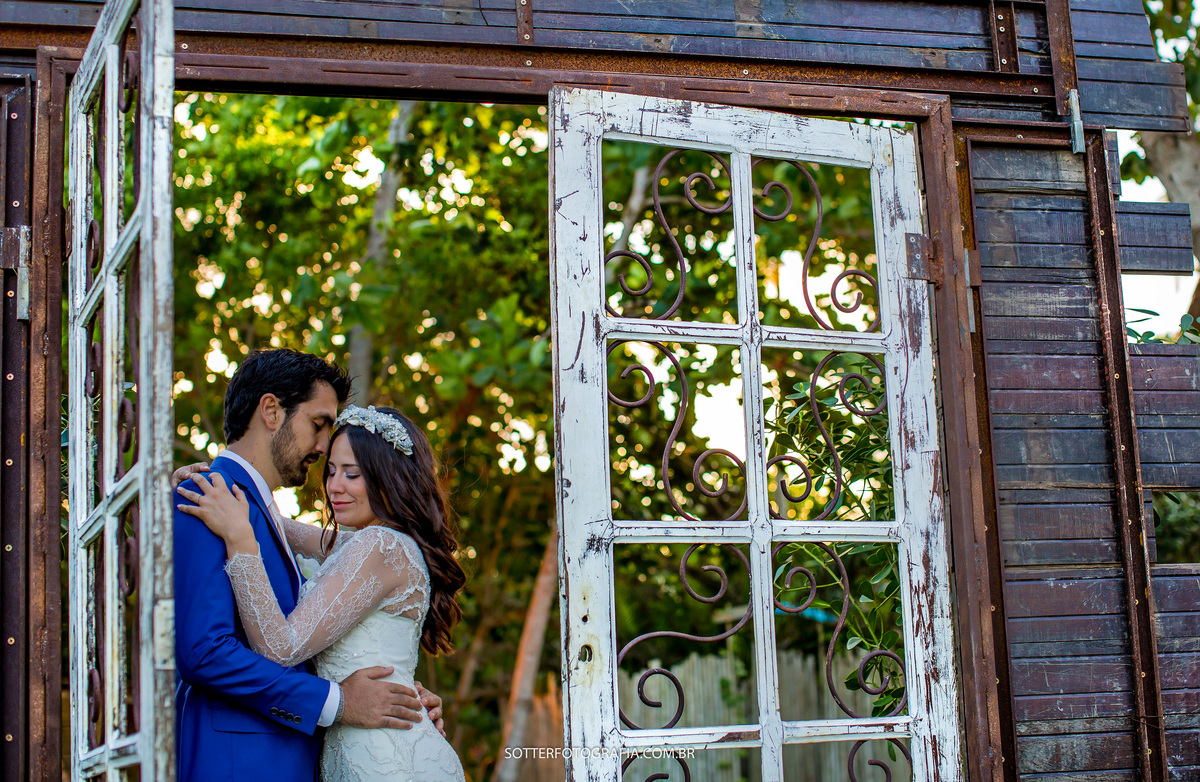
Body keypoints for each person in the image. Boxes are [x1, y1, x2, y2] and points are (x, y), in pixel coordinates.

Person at [173, 349, 446, 782]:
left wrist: (396, 688)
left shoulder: (365, 542)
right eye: (319, 425)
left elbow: (293, 643)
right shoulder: (220, 503)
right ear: (271, 411)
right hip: (241, 763)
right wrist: (341, 698)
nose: (323, 451)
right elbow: (204, 651)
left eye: (350, 472)